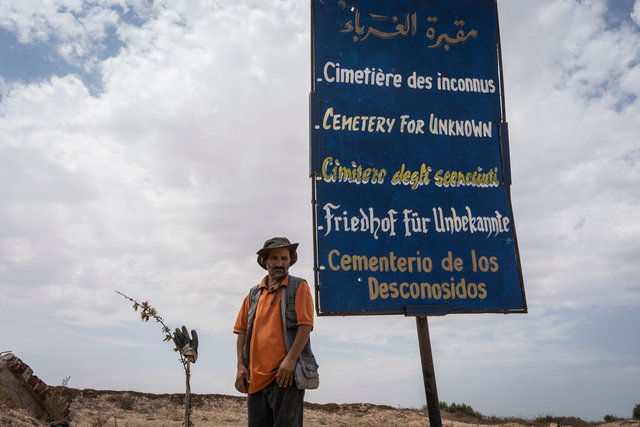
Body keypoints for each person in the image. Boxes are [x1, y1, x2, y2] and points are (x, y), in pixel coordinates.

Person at [233, 237, 318, 427]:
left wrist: (290, 360)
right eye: (274, 258)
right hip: (254, 380)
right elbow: (241, 333)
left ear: (290, 260)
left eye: (284, 258)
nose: (279, 263)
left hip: (285, 378)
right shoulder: (254, 294)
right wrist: (240, 365)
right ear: (265, 261)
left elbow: (305, 327)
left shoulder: (299, 287)